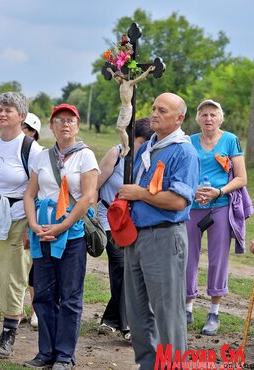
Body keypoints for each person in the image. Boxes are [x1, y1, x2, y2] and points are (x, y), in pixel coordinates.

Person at [116, 93, 199, 369]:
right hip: (136, 237)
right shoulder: (147, 147)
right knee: (137, 312)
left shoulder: (184, 151)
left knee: (167, 313)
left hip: (164, 236)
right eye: (153, 108)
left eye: (162, 110)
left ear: (179, 118)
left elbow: (178, 201)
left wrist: (139, 194)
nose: (154, 113)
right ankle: (147, 364)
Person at [23, 103, 99, 370]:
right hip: (42, 234)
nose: (65, 125)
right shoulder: (42, 156)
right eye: (59, 120)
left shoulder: (86, 156)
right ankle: (46, 353)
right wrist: (33, 224)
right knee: (43, 295)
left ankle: (65, 356)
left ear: (77, 126)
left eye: (70, 120)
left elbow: (89, 196)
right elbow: (30, 194)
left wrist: (62, 226)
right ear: (51, 127)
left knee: (69, 296)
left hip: (72, 234)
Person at [0, 92, 43, 358]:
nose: (2, 114)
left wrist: (30, 225)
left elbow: (38, 191)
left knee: (13, 278)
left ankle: (8, 334)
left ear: (22, 116)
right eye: (0, 109)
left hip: (15, 220)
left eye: (9, 110)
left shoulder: (31, 149)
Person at [185, 99, 247, 336]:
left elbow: (241, 178)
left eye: (213, 114)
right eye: (204, 115)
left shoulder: (230, 140)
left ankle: (214, 312)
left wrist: (218, 191)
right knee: (188, 257)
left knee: (218, 259)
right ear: (198, 119)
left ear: (220, 118)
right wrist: (193, 192)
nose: (208, 119)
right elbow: (182, 172)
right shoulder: (189, 141)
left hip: (220, 206)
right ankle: (187, 308)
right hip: (191, 206)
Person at [97, 117, 154, 341]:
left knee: (132, 269)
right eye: (141, 141)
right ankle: (129, 325)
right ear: (132, 138)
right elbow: (96, 185)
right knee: (120, 265)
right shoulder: (116, 153)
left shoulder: (151, 158)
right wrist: (90, 217)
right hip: (109, 218)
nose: (145, 146)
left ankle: (110, 319)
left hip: (134, 222)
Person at [21, 112, 42, 330]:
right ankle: (19, 309)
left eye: (24, 127)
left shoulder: (37, 155)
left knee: (34, 265)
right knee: (19, 267)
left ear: (32, 132)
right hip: (11, 214)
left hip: (32, 215)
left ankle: (36, 310)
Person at [107, 66, 155, 157]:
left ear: (122, 77)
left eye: (118, 78)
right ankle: (124, 147)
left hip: (128, 108)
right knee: (118, 129)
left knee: (121, 129)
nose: (117, 79)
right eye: (116, 78)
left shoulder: (129, 83)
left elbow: (140, 77)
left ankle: (127, 147)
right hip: (123, 108)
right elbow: (114, 76)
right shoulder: (120, 84)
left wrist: (148, 70)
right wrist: (110, 70)